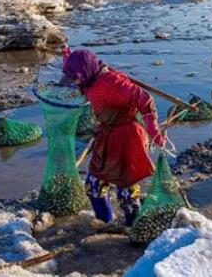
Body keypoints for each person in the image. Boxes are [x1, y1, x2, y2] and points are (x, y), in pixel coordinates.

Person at [61, 49, 166, 226]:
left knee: (126, 190)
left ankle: (135, 226)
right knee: (94, 186)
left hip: (128, 138)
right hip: (108, 135)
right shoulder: (90, 79)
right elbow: (83, 76)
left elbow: (144, 98)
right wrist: (68, 59)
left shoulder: (112, 83)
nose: (74, 81)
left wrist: (153, 127)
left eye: (75, 77)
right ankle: (106, 223)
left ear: (86, 71)